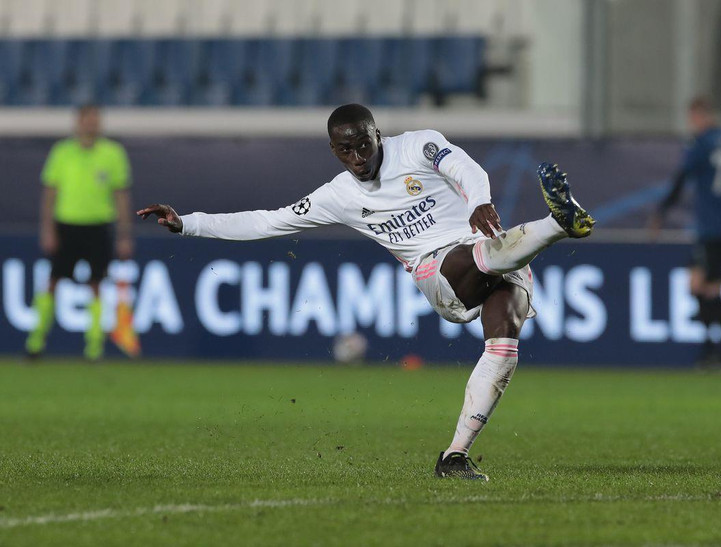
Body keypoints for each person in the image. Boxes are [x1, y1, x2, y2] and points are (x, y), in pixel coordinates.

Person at [138, 104, 594, 481]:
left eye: (363, 144)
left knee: (504, 344)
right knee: (478, 254)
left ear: (378, 134)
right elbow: (267, 220)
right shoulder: (338, 195)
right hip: (441, 275)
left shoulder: (417, 145)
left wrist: (477, 200)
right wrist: (189, 223)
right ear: (333, 151)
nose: (357, 157)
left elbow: (463, 166)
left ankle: (453, 456)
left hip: (492, 246)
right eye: (345, 150)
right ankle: (557, 224)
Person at [650, 97, 721, 369]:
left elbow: (681, 177)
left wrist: (661, 212)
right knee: (704, 287)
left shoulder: (701, 144)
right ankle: (716, 352)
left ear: (698, 116)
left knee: (704, 289)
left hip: (710, 227)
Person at [26, 104, 134, 360]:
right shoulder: (62, 152)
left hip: (98, 226)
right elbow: (50, 195)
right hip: (67, 226)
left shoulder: (113, 153)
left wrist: (124, 235)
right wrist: (48, 230)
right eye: (87, 120)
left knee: (96, 284)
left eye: (95, 120)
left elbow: (121, 197)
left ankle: (94, 347)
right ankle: (35, 342)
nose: (91, 124)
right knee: (52, 282)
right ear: (78, 123)